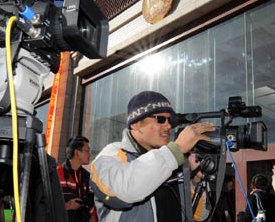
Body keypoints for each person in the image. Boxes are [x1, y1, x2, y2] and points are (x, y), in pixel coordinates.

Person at [90, 90, 215, 221]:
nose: (168, 126)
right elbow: (121, 193)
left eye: (170, 120)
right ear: (136, 124)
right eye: (160, 119)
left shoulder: (171, 161)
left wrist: (195, 180)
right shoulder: (109, 155)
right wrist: (176, 149)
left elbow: (200, 215)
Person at [57, 136, 98, 222]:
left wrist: (93, 216)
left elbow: (93, 202)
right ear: (77, 152)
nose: (89, 154)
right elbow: (45, 202)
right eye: (87, 150)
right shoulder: (58, 173)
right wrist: (66, 206)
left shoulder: (87, 177)